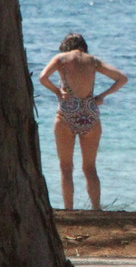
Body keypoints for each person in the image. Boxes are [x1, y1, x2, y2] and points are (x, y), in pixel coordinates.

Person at [39, 33, 128, 210]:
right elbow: (122, 78)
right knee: (90, 168)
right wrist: (102, 96)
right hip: (90, 114)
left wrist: (58, 92)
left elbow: (42, 78)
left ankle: (69, 210)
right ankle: (96, 209)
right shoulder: (93, 61)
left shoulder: (61, 58)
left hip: (66, 115)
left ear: (65, 46)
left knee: (66, 168)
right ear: (84, 46)